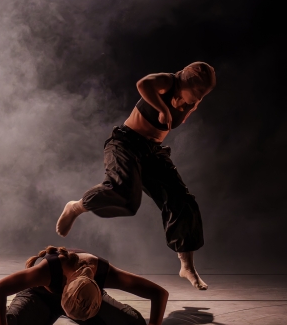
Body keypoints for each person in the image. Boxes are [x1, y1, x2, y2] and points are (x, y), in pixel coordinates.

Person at [55, 62, 216, 290]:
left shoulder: (194, 101)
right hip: (125, 142)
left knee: (182, 201)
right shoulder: (168, 81)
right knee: (125, 197)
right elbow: (143, 84)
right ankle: (76, 207)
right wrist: (162, 108)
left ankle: (186, 265)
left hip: (152, 152)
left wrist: (185, 103)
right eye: (198, 92)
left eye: (204, 94)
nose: (199, 98)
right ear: (184, 82)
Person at [0, 246, 168, 325]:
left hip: (84, 299)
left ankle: (92, 308)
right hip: (41, 297)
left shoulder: (104, 273)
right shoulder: (47, 271)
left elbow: (159, 293)